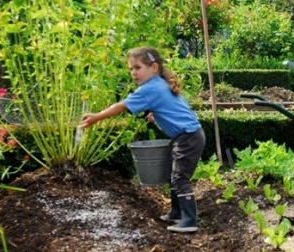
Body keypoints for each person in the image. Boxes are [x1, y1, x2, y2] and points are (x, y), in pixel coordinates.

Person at [78, 46, 205, 233]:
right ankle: (177, 213)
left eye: (137, 68)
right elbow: (171, 107)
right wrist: (156, 113)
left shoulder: (150, 88)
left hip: (188, 138)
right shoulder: (160, 84)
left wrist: (97, 117)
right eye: (130, 69)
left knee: (180, 177)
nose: (133, 73)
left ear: (153, 68)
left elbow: (121, 106)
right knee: (174, 175)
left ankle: (190, 220)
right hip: (189, 135)